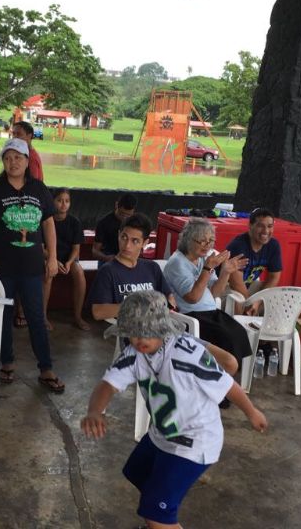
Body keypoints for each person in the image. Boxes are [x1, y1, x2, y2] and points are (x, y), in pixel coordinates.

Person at [80, 290, 268, 529]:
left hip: (195, 441)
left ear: (162, 329)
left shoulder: (187, 354)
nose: (138, 339)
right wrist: (95, 411)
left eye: (146, 332)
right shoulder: (134, 354)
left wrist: (252, 412)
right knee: (137, 472)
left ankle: (160, 519)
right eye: (132, 333)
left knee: (155, 512)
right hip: (162, 434)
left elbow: (227, 384)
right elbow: (107, 384)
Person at [0, 138, 64, 393]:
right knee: (2, 316)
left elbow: (48, 224)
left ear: (27, 161)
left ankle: (46, 368)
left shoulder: (38, 189)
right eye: (7, 158)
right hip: (2, 267)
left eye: (17, 158)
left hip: (33, 268)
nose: (12, 162)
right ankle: (6, 362)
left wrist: (52, 257)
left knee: (37, 317)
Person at [162, 218, 252, 365]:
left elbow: (215, 293)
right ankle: (220, 373)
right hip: (190, 316)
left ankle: (230, 374)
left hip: (210, 313)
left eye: (211, 241)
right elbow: (193, 298)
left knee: (239, 332)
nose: (208, 245)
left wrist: (225, 272)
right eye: (202, 241)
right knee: (227, 338)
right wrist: (207, 268)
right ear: (188, 240)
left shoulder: (202, 259)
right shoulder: (177, 262)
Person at [89, 213, 174, 321]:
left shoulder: (152, 268)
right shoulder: (108, 271)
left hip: (154, 325)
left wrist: (167, 303)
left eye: (135, 241)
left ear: (145, 243)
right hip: (125, 328)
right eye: (124, 237)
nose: (127, 245)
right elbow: (98, 312)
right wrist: (139, 306)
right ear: (119, 235)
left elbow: (169, 298)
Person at [42, 188, 90, 331]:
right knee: (48, 273)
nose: (63, 204)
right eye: (60, 200)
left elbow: (76, 249)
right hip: (49, 258)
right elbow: (40, 248)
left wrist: (69, 263)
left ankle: (78, 316)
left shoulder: (74, 222)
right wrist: (53, 260)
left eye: (67, 201)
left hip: (68, 259)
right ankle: (43, 316)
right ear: (53, 201)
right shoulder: (46, 221)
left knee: (79, 272)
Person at [224, 208, 283, 315]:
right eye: (260, 226)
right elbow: (235, 282)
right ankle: (239, 325)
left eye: (270, 226)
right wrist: (250, 303)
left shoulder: (273, 245)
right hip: (224, 287)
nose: (266, 231)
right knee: (238, 301)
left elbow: (274, 277)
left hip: (247, 286)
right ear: (250, 226)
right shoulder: (239, 245)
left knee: (276, 297)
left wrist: (258, 301)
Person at [92, 194, 137, 265]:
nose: (124, 218)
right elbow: (95, 251)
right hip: (108, 257)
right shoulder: (104, 223)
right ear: (116, 205)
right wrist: (106, 258)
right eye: (122, 213)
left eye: (128, 215)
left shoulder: (135, 223)